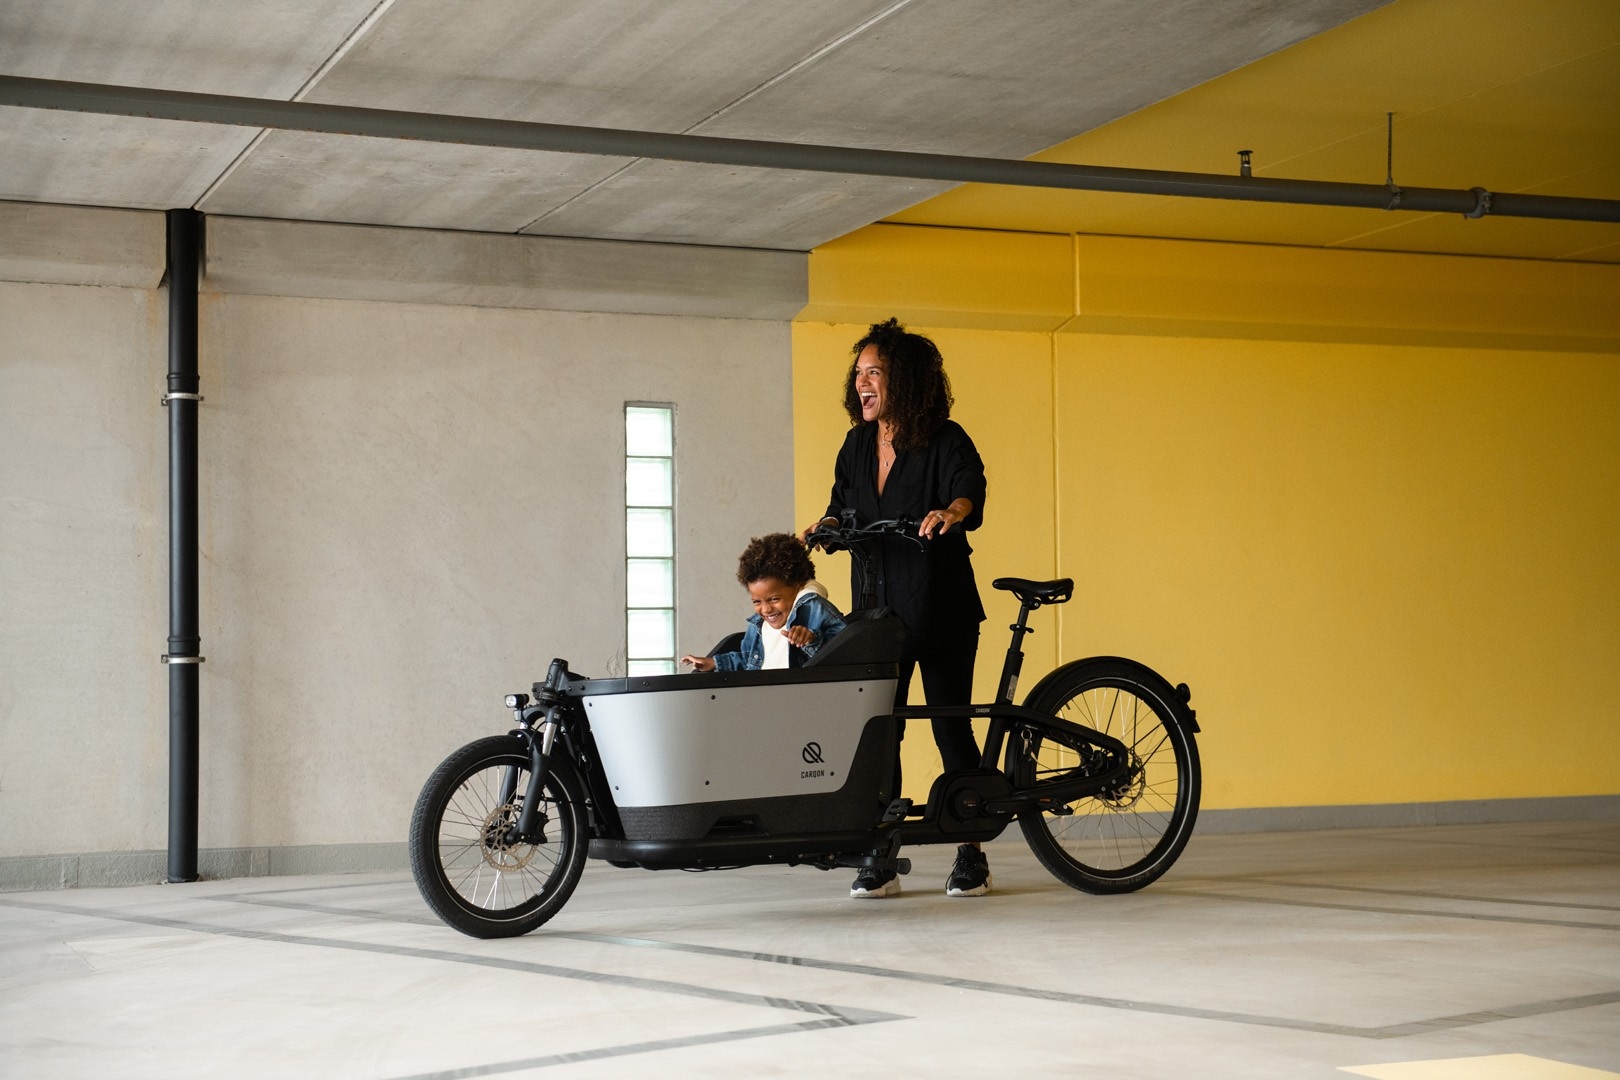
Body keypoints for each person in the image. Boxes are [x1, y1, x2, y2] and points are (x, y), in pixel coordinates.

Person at [802, 317, 991, 900]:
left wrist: (951, 513)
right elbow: (843, 504)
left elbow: (969, 486)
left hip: (941, 611)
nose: (862, 383)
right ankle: (882, 853)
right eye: (857, 373)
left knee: (948, 727)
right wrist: (827, 525)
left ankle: (972, 851)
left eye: (873, 372)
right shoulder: (856, 444)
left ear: (902, 380)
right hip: (878, 616)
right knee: (880, 733)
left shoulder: (944, 437)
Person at [680, 533, 846, 672]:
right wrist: (714, 663)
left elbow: (846, 651)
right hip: (763, 695)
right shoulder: (758, 624)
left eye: (774, 599)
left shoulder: (813, 608)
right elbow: (748, 659)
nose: (766, 609)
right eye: (757, 601)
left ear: (798, 586)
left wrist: (811, 640)